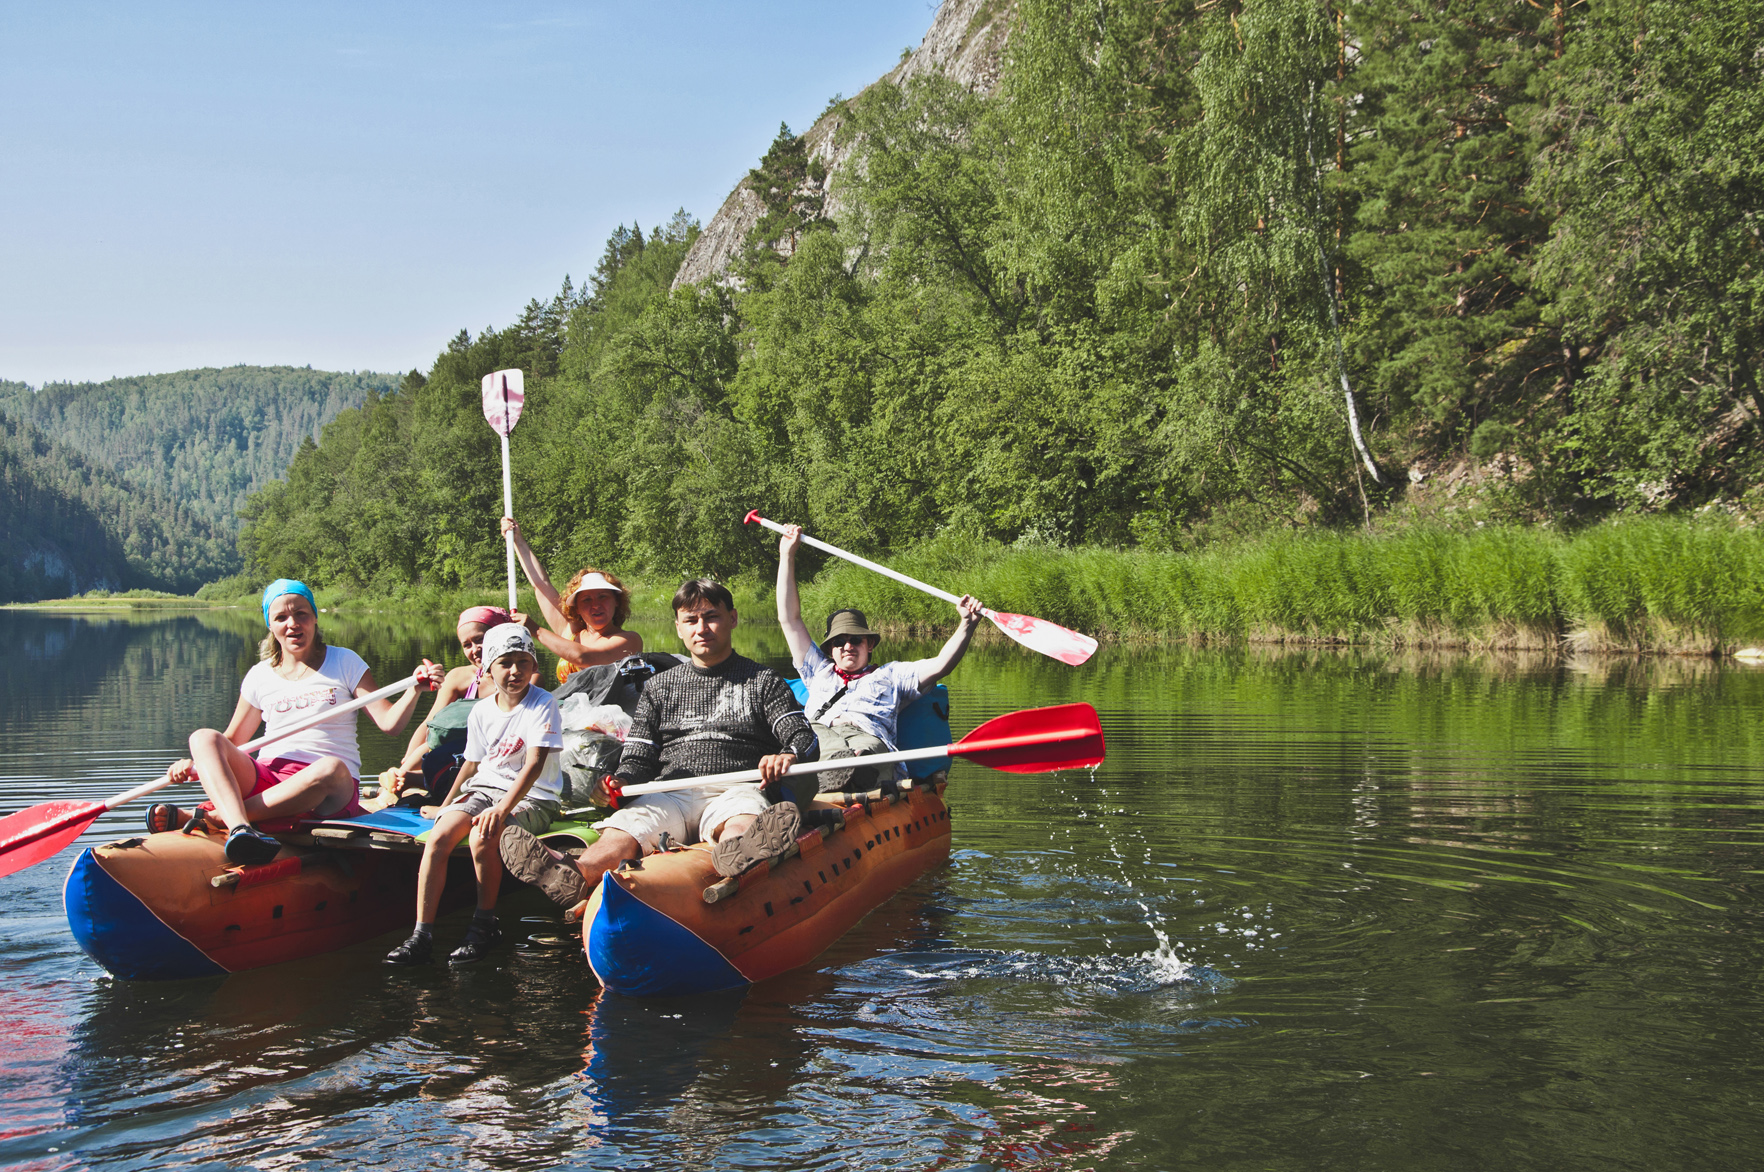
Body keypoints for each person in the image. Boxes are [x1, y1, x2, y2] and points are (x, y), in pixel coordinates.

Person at [501, 577, 821, 906]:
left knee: (741, 818)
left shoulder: (763, 680)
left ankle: (738, 853)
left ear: (733, 619)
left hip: (736, 786)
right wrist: (619, 781)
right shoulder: (659, 687)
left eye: (711, 617)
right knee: (624, 828)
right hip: (670, 792)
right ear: (679, 628)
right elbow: (639, 757)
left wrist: (788, 755)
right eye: (691, 620)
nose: (702, 628)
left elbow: (802, 736)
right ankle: (575, 872)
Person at [154, 579, 443, 866]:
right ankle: (240, 828)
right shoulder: (259, 675)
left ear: (315, 618)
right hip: (269, 780)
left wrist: (413, 690)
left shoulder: (344, 661)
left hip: (329, 787)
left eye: (301, 614)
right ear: (271, 625)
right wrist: (196, 762)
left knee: (330, 768)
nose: (292, 623)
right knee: (203, 737)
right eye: (281, 617)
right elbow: (232, 742)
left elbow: (389, 724)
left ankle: (217, 817)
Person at [385, 623, 565, 966]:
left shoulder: (542, 704)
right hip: (485, 788)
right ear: (489, 668)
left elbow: (535, 763)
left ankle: (484, 924)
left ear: (533, 665)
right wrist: (447, 804)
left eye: (523, 662)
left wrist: (502, 809)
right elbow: (471, 766)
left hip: (534, 796)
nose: (515, 671)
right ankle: (422, 934)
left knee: (485, 835)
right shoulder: (481, 710)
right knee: (439, 836)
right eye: (505, 663)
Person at [775, 524, 983, 790]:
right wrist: (787, 554)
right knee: (812, 736)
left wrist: (967, 624)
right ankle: (836, 773)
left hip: (866, 737)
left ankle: (851, 772)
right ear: (830, 649)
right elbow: (789, 619)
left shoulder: (891, 675)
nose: (847, 645)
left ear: (870, 644)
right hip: (821, 735)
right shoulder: (818, 671)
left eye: (855, 639)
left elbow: (941, 664)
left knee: (868, 750)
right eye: (839, 641)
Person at [379, 605, 538, 803]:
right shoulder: (459, 677)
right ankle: (401, 777)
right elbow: (431, 724)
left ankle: (407, 779)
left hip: (499, 752)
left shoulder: (524, 676)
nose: (475, 650)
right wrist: (407, 759)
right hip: (457, 753)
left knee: (457, 740)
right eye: (467, 645)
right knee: (437, 739)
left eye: (480, 639)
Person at [500, 516, 642, 681]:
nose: (596, 605)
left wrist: (537, 631)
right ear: (577, 607)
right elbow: (540, 584)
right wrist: (517, 540)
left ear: (617, 601)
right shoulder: (570, 633)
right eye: (586, 600)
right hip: (569, 706)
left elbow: (585, 659)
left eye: (603, 597)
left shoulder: (630, 640)